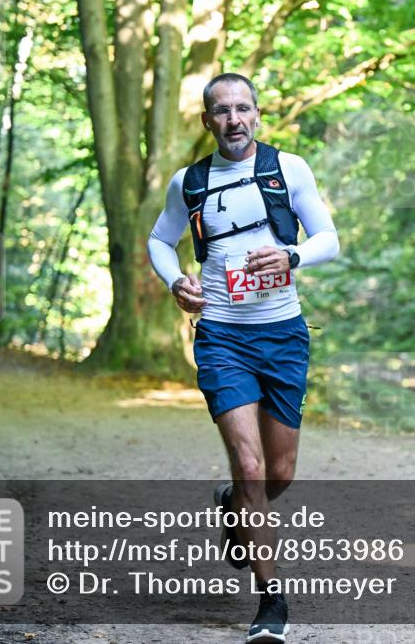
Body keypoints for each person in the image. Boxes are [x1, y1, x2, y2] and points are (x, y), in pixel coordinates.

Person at [146, 72, 339, 643]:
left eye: (243, 109)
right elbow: (161, 240)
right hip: (222, 337)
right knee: (251, 466)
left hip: (282, 334)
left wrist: (292, 258)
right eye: (221, 111)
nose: (234, 119)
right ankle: (271, 603)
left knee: (278, 473)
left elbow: (328, 238)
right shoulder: (191, 182)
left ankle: (232, 503)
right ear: (207, 121)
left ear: (257, 115)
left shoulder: (288, 169)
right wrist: (175, 279)